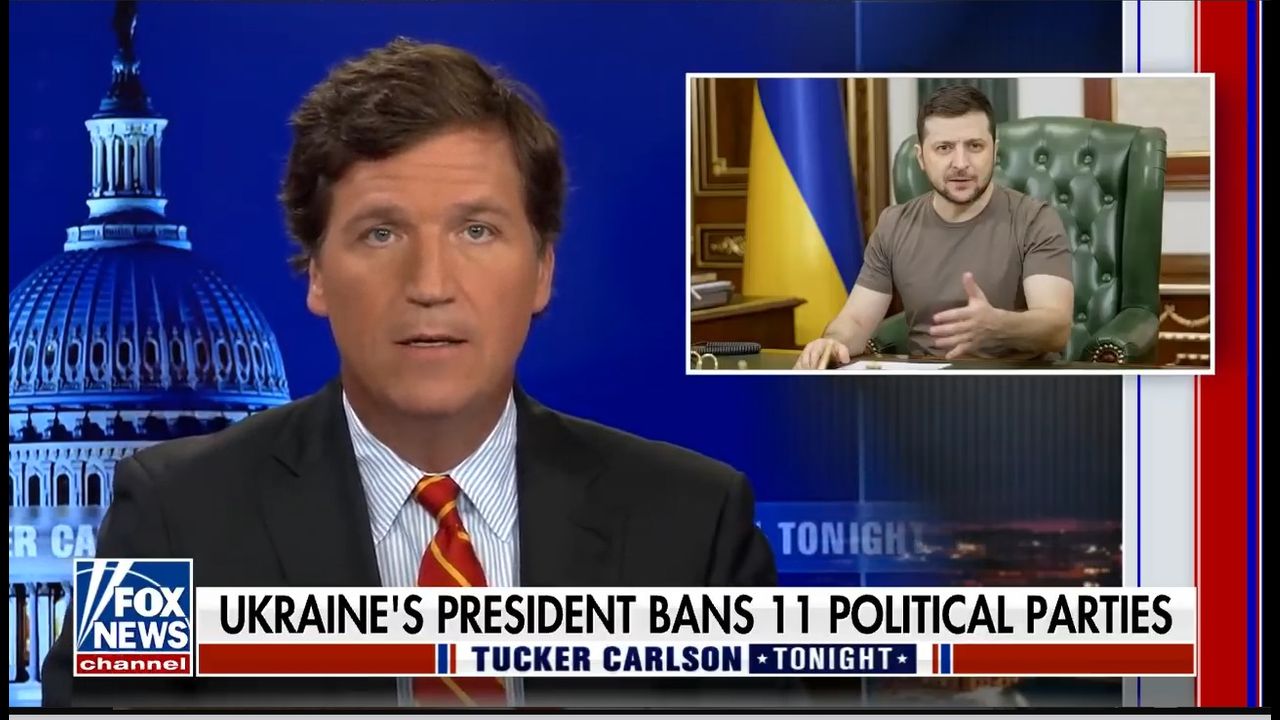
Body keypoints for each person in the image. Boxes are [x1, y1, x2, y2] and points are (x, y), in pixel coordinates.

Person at [43, 38, 780, 708]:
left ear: (542, 271)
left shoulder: (694, 527)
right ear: (317, 273)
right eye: (381, 233)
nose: (430, 284)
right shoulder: (173, 521)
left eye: (477, 230)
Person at [795, 84, 1074, 369]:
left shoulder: (1035, 219)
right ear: (921, 158)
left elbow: (1056, 328)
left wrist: (998, 325)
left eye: (975, 146)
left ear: (995, 151)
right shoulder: (894, 224)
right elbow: (855, 320)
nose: (961, 163)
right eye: (944, 148)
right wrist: (832, 342)